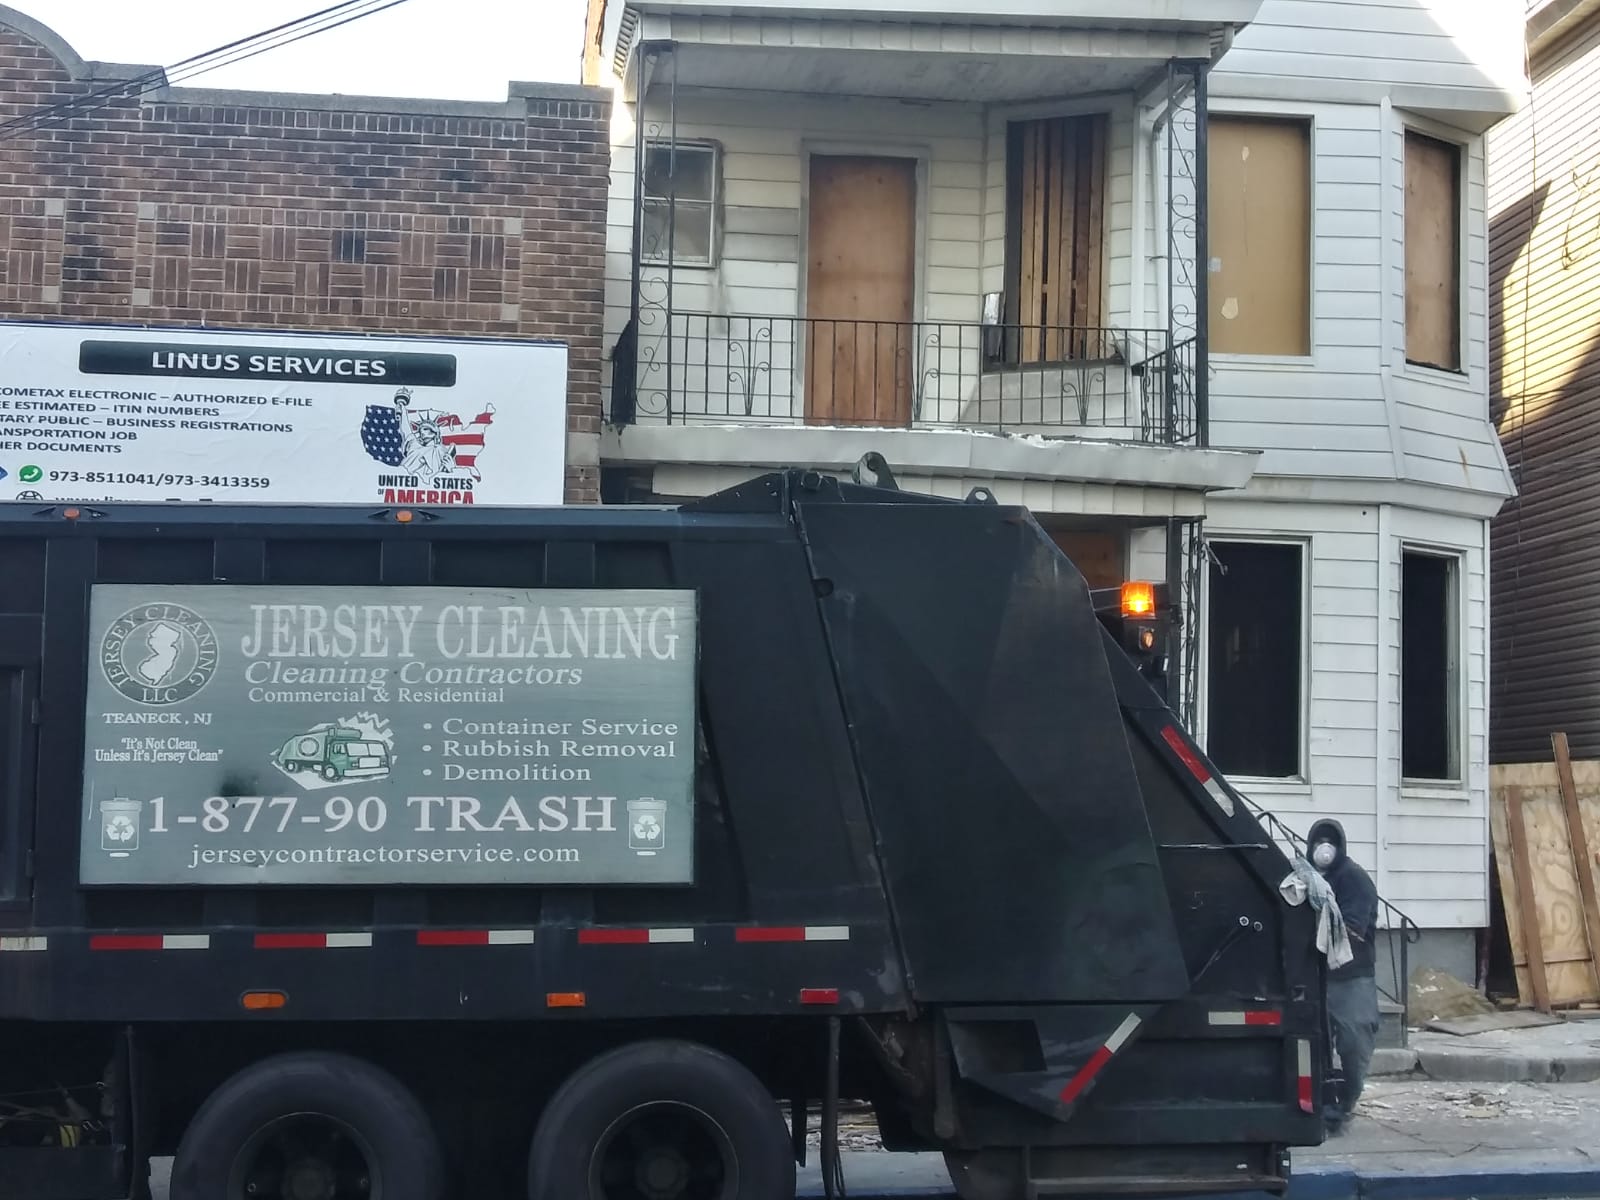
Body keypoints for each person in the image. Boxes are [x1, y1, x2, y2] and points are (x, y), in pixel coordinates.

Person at [1306, 818, 1379, 1135]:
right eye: (1318, 841)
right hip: (1313, 977)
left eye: (1330, 841)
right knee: (1313, 1044)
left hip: (1351, 977)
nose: (1324, 848)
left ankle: (1347, 1100)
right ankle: (1323, 1104)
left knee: (1353, 1042)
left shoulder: (1354, 880)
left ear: (1340, 846)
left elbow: (1353, 929)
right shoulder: (1305, 879)